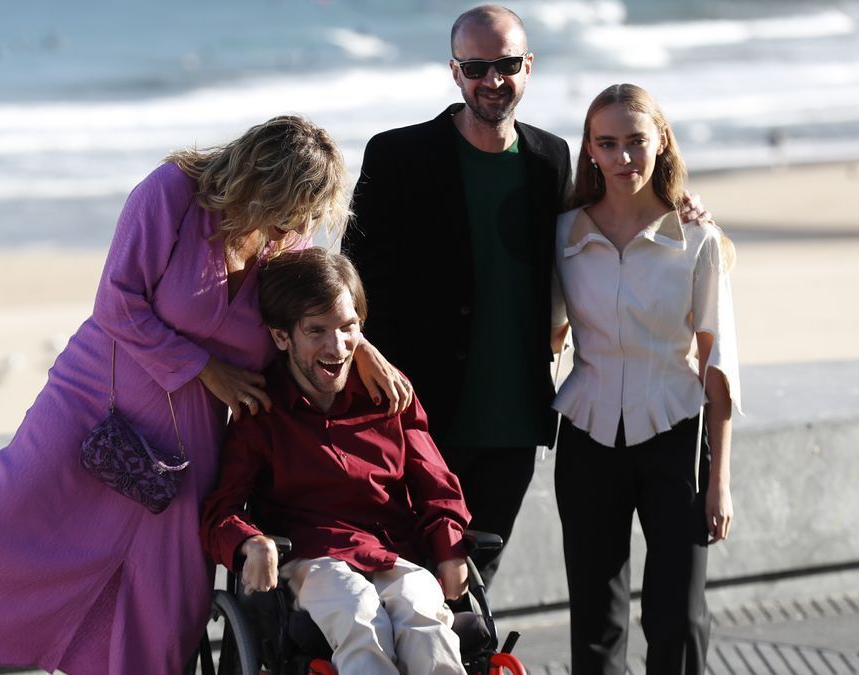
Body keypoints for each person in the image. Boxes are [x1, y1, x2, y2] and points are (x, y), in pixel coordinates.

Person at [0, 116, 410, 675]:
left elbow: (319, 312)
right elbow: (116, 301)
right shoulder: (172, 193)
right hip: (91, 405)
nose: (297, 227)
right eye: (288, 209)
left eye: (308, 215)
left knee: (168, 609)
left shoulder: (287, 245)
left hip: (190, 442)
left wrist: (366, 350)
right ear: (258, 179)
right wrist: (205, 368)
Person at [344, 4, 707, 586]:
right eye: (477, 66)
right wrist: (364, 360)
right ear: (455, 70)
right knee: (409, 587)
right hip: (419, 418)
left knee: (474, 593)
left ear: (529, 66)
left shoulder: (548, 157)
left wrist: (678, 206)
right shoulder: (397, 155)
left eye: (507, 64)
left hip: (514, 423)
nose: (492, 80)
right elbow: (352, 284)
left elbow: (600, 220)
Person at [201, 248, 472, 675]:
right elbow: (221, 511)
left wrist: (450, 548)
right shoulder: (261, 411)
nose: (337, 345)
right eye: (317, 331)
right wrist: (249, 542)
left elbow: (436, 484)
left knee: (423, 615)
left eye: (349, 328)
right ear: (281, 337)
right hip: (313, 559)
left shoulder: (389, 395)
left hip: (392, 552)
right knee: (358, 612)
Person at [550, 83, 741, 674]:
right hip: (586, 440)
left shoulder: (697, 239)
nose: (623, 157)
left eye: (636, 141)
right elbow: (546, 338)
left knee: (677, 617)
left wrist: (719, 480)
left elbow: (720, 369)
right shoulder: (563, 236)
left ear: (661, 141)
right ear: (590, 151)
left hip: (676, 439)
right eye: (608, 144)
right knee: (596, 622)